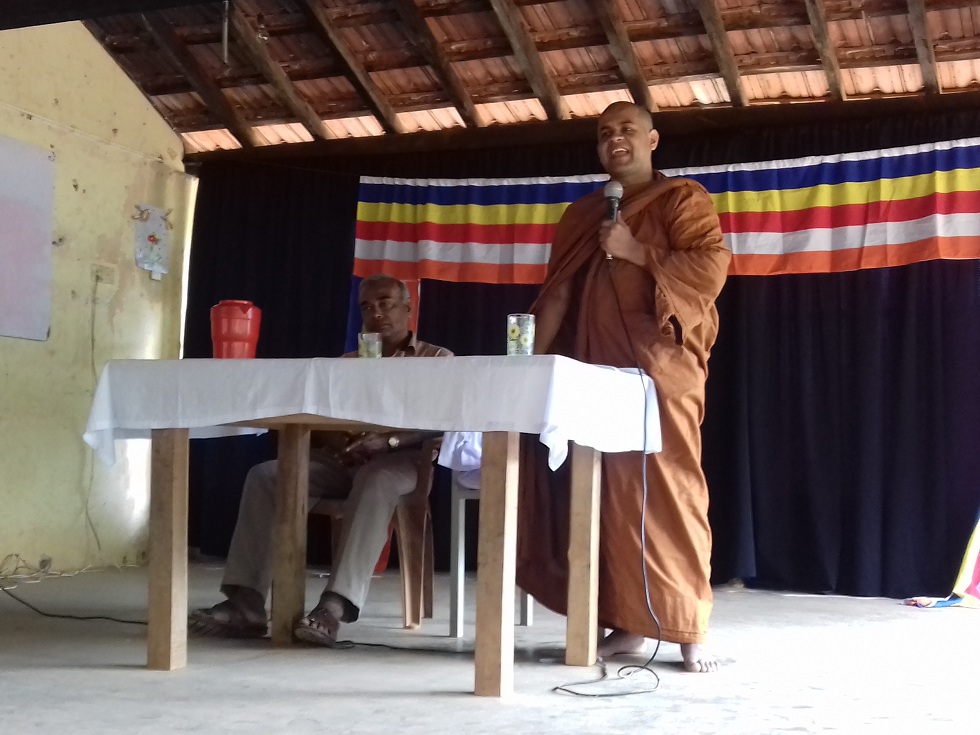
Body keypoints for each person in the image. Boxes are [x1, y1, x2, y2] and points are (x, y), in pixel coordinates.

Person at [515, 101, 731, 673]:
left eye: (628, 130)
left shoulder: (682, 199)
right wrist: (525, 364)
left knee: (670, 489)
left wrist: (635, 250)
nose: (616, 139)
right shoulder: (582, 215)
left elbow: (709, 268)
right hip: (592, 373)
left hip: (661, 370)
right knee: (605, 496)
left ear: (652, 140)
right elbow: (558, 291)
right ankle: (628, 623)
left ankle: (689, 627)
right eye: (605, 132)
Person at [189, 273, 452, 645]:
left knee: (376, 479)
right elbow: (320, 416)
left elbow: (444, 420)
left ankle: (333, 607)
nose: (376, 313)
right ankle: (247, 602)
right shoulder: (348, 363)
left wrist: (389, 440)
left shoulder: (438, 359)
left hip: (403, 461)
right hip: (344, 460)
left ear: (408, 308)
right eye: (367, 307)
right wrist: (337, 436)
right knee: (266, 476)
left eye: (385, 304)